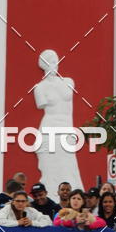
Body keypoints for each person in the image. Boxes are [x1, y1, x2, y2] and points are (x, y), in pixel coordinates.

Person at [34, 49, 84, 192]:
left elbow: (64, 92)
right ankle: (51, 194)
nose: (54, 65)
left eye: (56, 61)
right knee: (50, 166)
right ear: (44, 65)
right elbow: (41, 104)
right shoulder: (40, 88)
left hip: (66, 127)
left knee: (68, 165)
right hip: (49, 127)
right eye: (50, 62)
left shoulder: (68, 82)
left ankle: (73, 194)